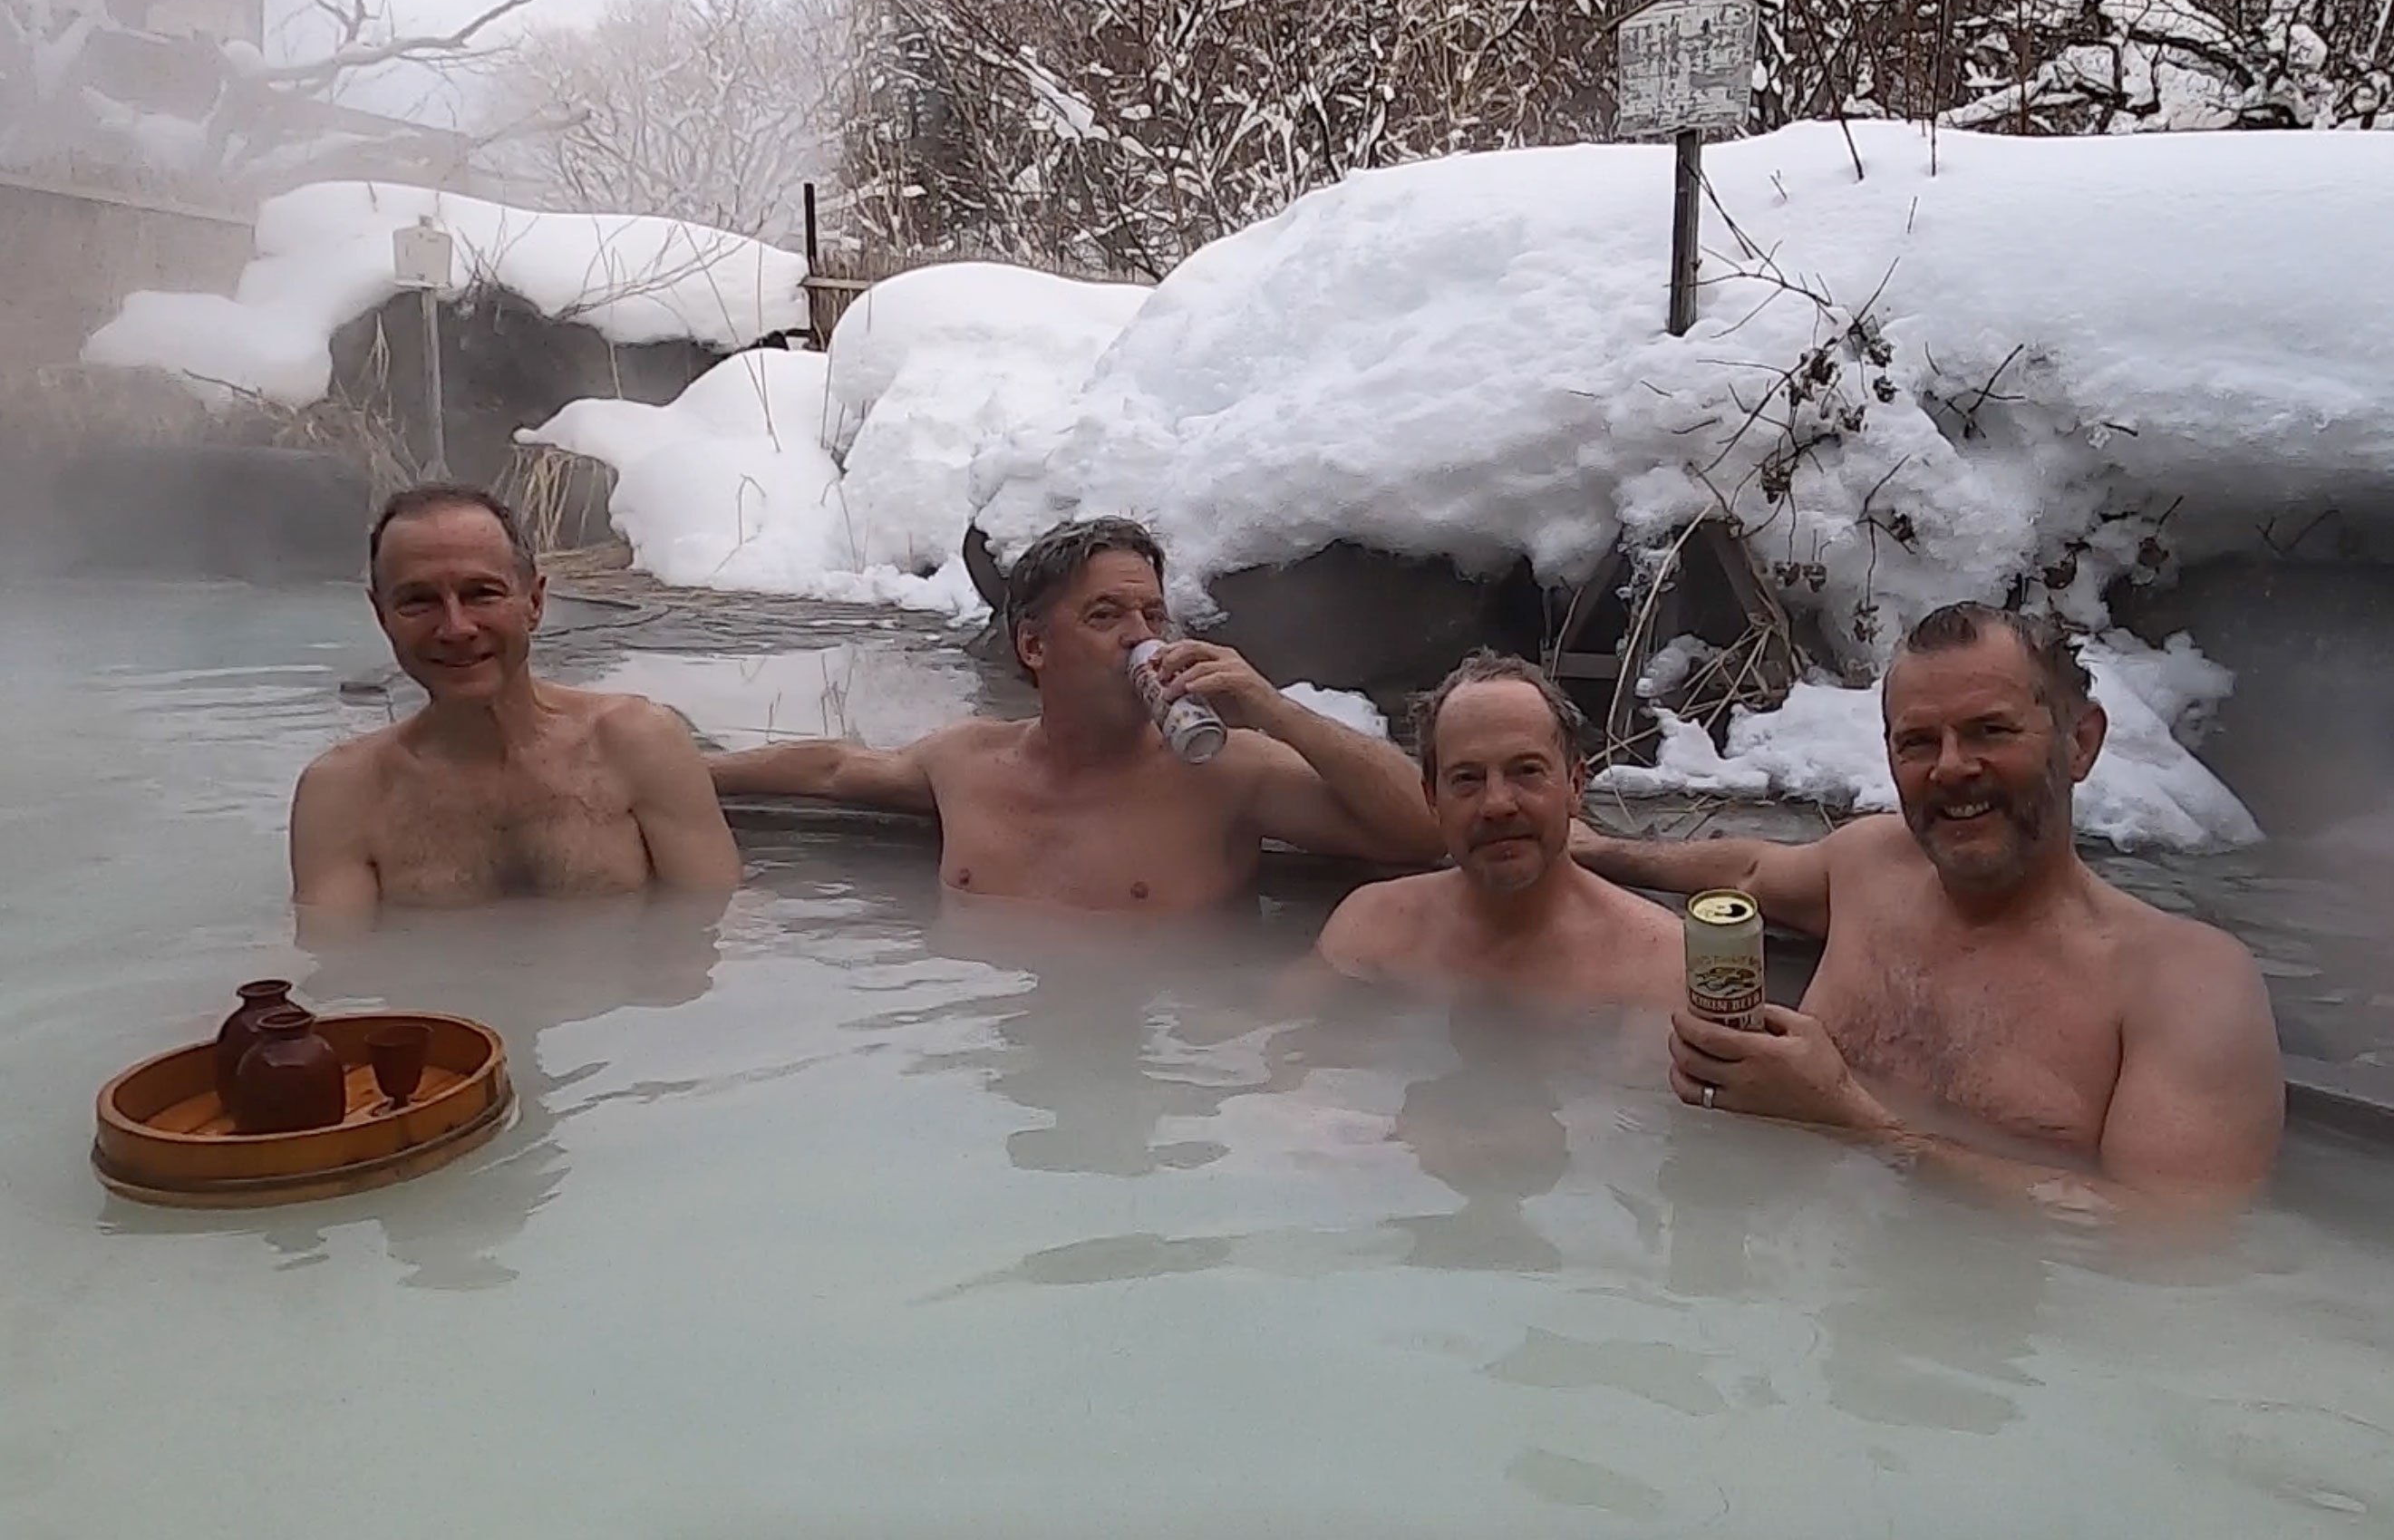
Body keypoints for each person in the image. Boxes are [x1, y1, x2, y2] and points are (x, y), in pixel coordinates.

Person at [1570, 602, 2284, 1214]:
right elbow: (1751, 869)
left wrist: (1851, 1122)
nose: (1950, 768)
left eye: (1989, 731)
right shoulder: (1871, 865)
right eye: (1917, 742)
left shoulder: (2182, 982)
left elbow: (2172, 1238)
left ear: (2081, 744)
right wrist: (1595, 849)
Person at [707, 517, 1444, 913]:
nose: (1140, 637)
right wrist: (689, 769)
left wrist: (1274, 711)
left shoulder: (1229, 772)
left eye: (1153, 614)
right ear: (1034, 645)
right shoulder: (966, 761)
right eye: (1105, 615)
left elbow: (1423, 830)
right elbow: (834, 769)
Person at [288, 484, 741, 935]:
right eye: (418, 601)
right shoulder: (344, 793)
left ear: (535, 603)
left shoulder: (638, 743)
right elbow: (333, 960)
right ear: (381, 615)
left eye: (482, 593)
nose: (456, 628)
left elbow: (712, 930)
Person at [1309, 653, 1682, 1013]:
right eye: (1467, 778)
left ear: (1575, 786)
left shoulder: (1658, 964)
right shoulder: (1369, 929)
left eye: (1526, 771)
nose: (1497, 804)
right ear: (1432, 799)